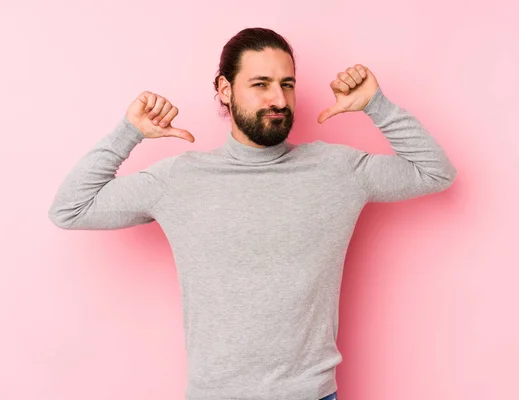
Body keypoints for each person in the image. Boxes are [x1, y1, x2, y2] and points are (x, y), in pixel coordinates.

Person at [48, 27, 457, 400]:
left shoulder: (337, 171)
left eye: (287, 85)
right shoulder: (181, 178)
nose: (278, 100)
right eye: (260, 84)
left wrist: (377, 105)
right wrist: (129, 131)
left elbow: (435, 173)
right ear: (224, 89)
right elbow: (71, 208)